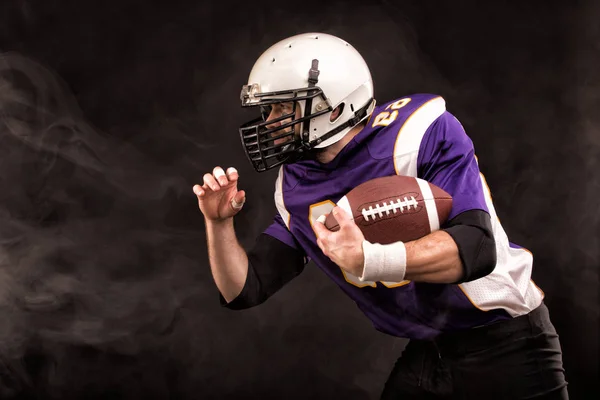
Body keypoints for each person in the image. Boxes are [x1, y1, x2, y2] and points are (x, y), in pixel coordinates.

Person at [192, 32, 569, 399]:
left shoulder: (417, 134)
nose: (271, 121)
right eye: (268, 109)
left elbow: (476, 248)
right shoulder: (296, 183)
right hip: (429, 350)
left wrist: (369, 259)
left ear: (335, 106)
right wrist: (219, 223)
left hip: (508, 342)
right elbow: (244, 289)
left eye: (283, 108)